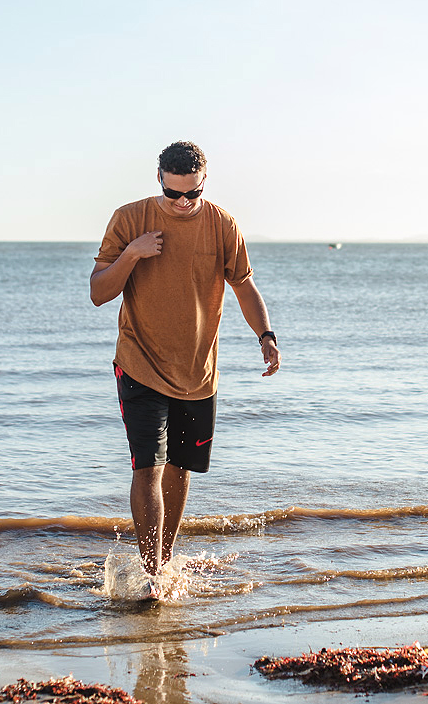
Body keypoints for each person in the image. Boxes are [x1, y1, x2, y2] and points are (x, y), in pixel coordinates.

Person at [90, 141, 280, 590]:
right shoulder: (129, 218)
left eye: (190, 194)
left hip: (198, 372)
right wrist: (132, 253)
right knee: (148, 468)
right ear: (160, 179)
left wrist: (266, 335)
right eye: (173, 193)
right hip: (140, 362)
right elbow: (99, 292)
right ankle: (153, 576)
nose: (181, 203)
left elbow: (244, 285)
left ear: (203, 184)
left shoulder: (221, 224)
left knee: (179, 467)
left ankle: (165, 561)